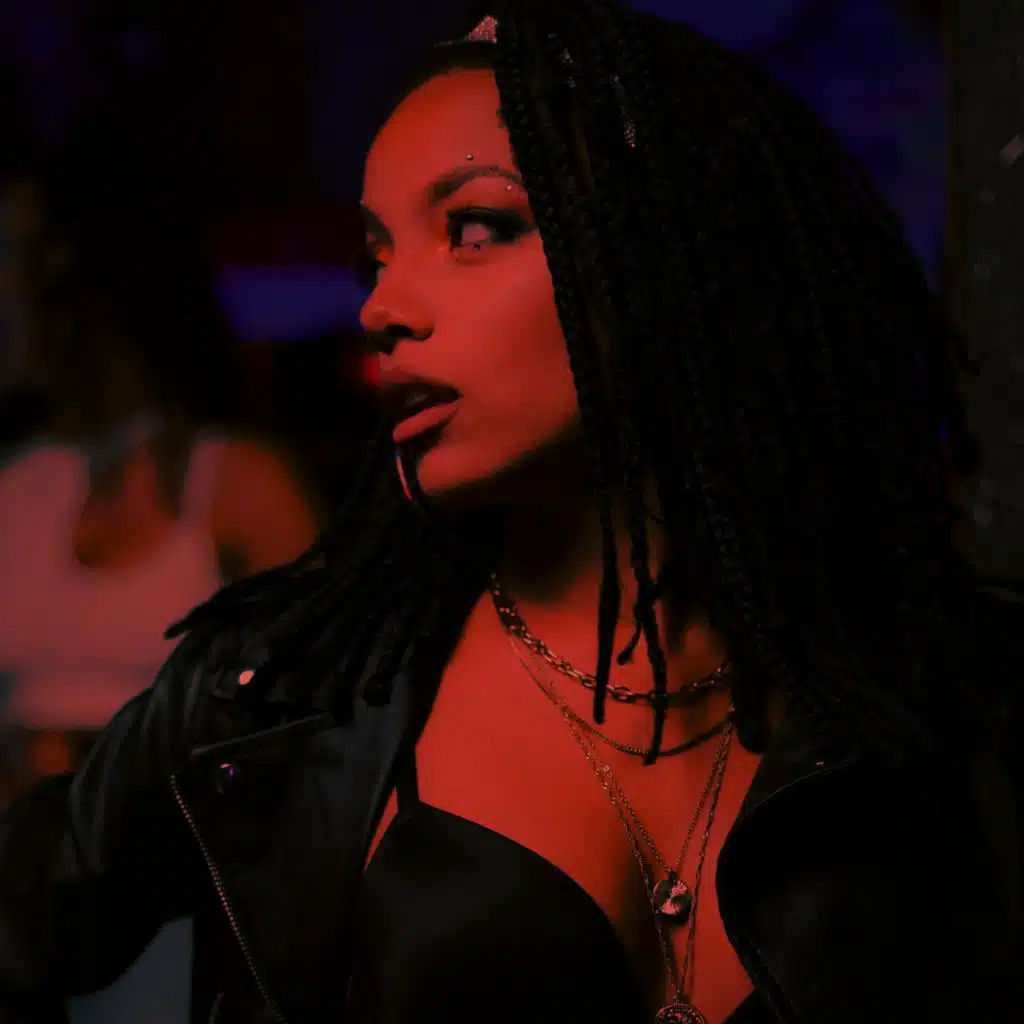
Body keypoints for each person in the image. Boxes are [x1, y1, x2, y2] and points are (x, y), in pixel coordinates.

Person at [0, 1, 1020, 1022]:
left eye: (474, 228)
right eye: (376, 256)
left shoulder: (949, 691)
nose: (381, 308)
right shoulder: (272, 702)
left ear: (655, 250)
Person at [0, 158, 318, 1023]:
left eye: (13, 256)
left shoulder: (237, 482)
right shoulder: (19, 487)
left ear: (83, 284)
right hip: (23, 921)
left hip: (172, 925)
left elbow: (326, 725)